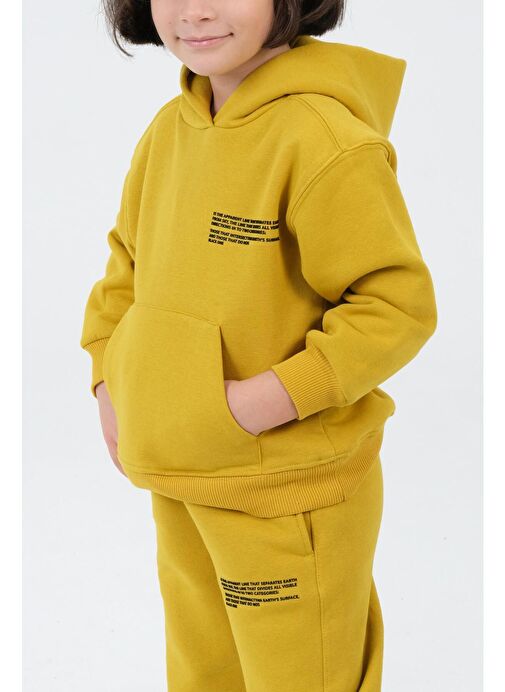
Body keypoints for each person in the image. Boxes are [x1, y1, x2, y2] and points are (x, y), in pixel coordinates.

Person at [79, 1, 438, 690]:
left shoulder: (323, 138)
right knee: (204, 676)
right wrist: (108, 384)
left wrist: (249, 407)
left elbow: (395, 307)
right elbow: (125, 270)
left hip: (286, 492)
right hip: (181, 477)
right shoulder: (169, 130)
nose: (195, 11)